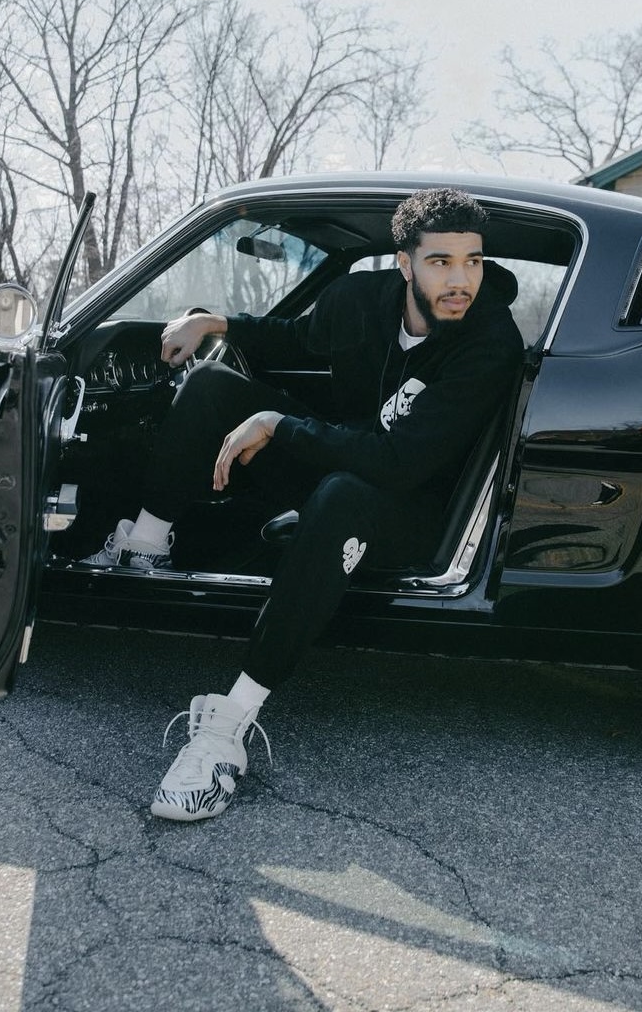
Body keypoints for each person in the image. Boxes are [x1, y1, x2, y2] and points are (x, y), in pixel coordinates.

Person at [84, 186, 524, 821]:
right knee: (210, 385)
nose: (461, 280)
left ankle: (225, 730)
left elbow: (399, 464)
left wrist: (281, 426)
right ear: (405, 263)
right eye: (441, 262)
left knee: (343, 492)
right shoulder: (361, 301)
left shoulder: (490, 343)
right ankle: (143, 546)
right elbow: (293, 339)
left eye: (473, 262)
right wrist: (216, 323)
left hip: (412, 507)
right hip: (347, 466)